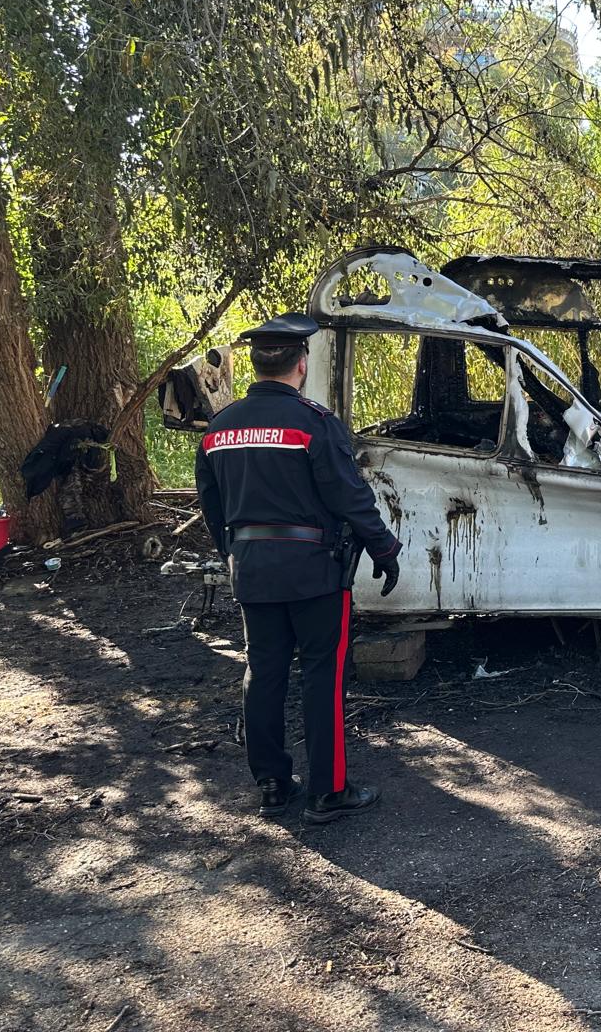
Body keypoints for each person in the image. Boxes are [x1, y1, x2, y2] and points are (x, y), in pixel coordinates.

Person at [196, 313, 402, 823]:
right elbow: (349, 496)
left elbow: (212, 507)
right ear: (301, 364)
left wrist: (234, 554)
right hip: (315, 573)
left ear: (256, 364)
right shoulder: (314, 424)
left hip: (252, 569)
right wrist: (384, 549)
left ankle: (271, 784)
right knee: (321, 676)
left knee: (263, 672)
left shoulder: (218, 430)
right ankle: (327, 792)